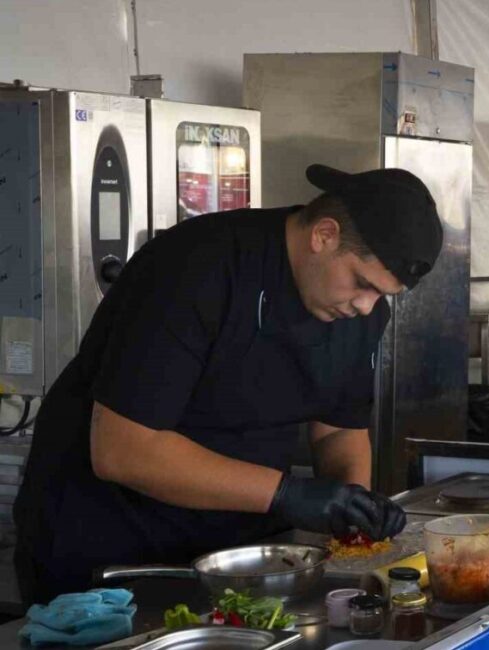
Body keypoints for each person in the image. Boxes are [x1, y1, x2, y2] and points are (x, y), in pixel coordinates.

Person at [15, 165, 442, 604]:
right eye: (362, 284)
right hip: (112, 550)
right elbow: (124, 450)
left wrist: (353, 513)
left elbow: (337, 428)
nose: (367, 307)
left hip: (239, 555)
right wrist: (287, 494)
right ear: (324, 235)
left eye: (382, 296)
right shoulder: (195, 267)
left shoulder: (357, 313)